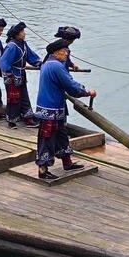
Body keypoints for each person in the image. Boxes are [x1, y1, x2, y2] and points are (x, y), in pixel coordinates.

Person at [33, 39, 95, 180]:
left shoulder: (47, 63)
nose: (67, 54)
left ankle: (67, 162)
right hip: (50, 108)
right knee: (46, 138)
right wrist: (87, 92)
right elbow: (71, 86)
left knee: (61, 134)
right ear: (57, 53)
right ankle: (43, 169)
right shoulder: (56, 66)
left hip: (53, 107)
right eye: (65, 52)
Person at [0, 21, 40, 128]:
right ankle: (11, 120)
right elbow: (4, 62)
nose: (24, 33)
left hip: (21, 74)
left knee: (24, 96)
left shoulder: (23, 44)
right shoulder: (12, 46)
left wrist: (39, 63)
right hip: (12, 76)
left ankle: (28, 118)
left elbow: (31, 56)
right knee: (13, 98)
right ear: (17, 34)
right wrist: (9, 74)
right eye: (22, 31)